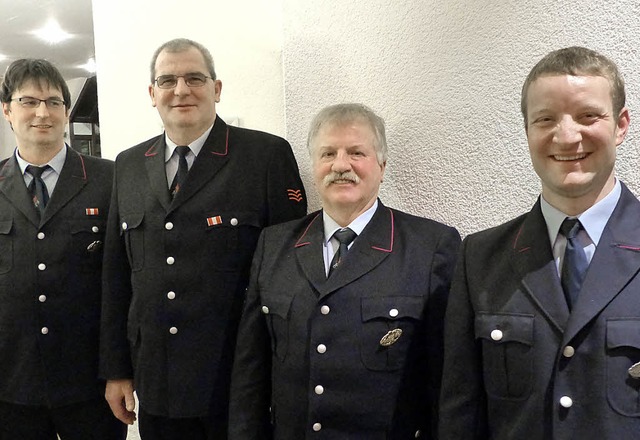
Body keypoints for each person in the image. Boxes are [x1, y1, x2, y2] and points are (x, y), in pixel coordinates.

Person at [99, 38, 307, 439]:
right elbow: (116, 276)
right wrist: (116, 370)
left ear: (217, 88)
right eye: (167, 80)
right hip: (157, 379)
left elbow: (290, 274)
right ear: (151, 94)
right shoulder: (127, 165)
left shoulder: (264, 157)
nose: (181, 90)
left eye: (195, 77)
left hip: (236, 378)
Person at [439, 46, 640, 439]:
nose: (566, 137)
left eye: (588, 116)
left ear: (621, 125)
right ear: (528, 130)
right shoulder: (480, 258)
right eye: (545, 119)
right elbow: (460, 411)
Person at [228, 103, 460, 439]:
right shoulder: (274, 244)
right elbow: (251, 373)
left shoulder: (430, 247)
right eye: (327, 154)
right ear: (314, 165)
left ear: (381, 165)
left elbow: (447, 379)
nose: (340, 165)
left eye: (356, 153)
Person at [0, 59, 125, 439]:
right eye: (29, 101)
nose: (43, 112)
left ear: (67, 112)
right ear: (7, 110)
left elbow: (122, 282)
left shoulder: (111, 180)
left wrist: (120, 370)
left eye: (54, 102)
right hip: (11, 384)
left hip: (89, 383)